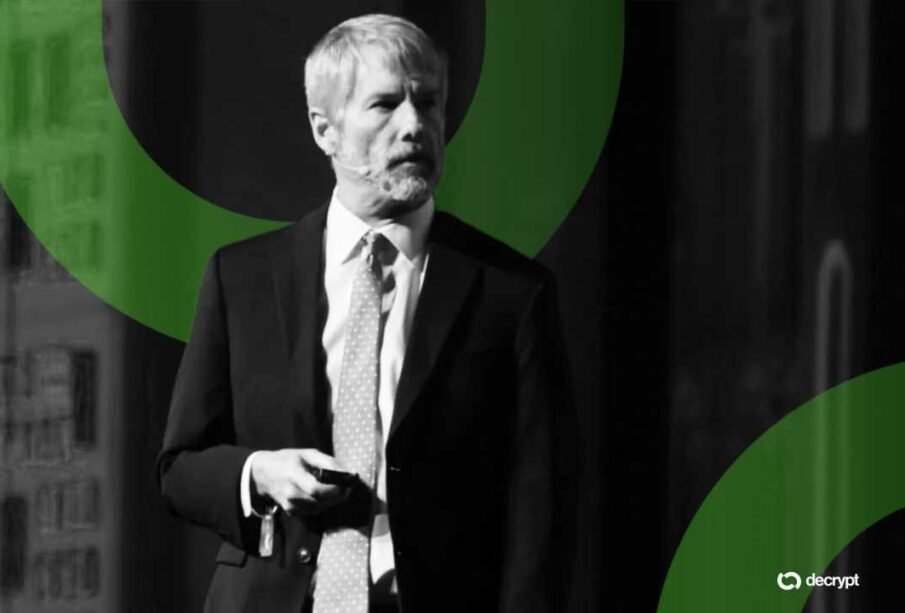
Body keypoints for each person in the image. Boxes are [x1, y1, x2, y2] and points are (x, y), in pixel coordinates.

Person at [158, 13, 573, 613]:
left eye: (428, 102)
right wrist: (260, 473)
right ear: (324, 128)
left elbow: (542, 508)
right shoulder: (241, 279)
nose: (415, 126)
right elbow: (180, 467)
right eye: (385, 105)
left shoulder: (510, 292)